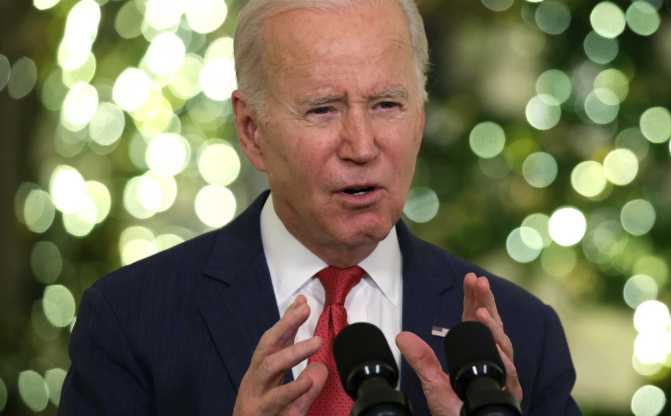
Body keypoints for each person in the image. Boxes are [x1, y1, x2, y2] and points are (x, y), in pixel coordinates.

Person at [59, 0, 580, 415]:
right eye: (323, 109)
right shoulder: (131, 320)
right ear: (252, 130)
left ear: (419, 119)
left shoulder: (522, 334)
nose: (361, 145)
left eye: (386, 105)